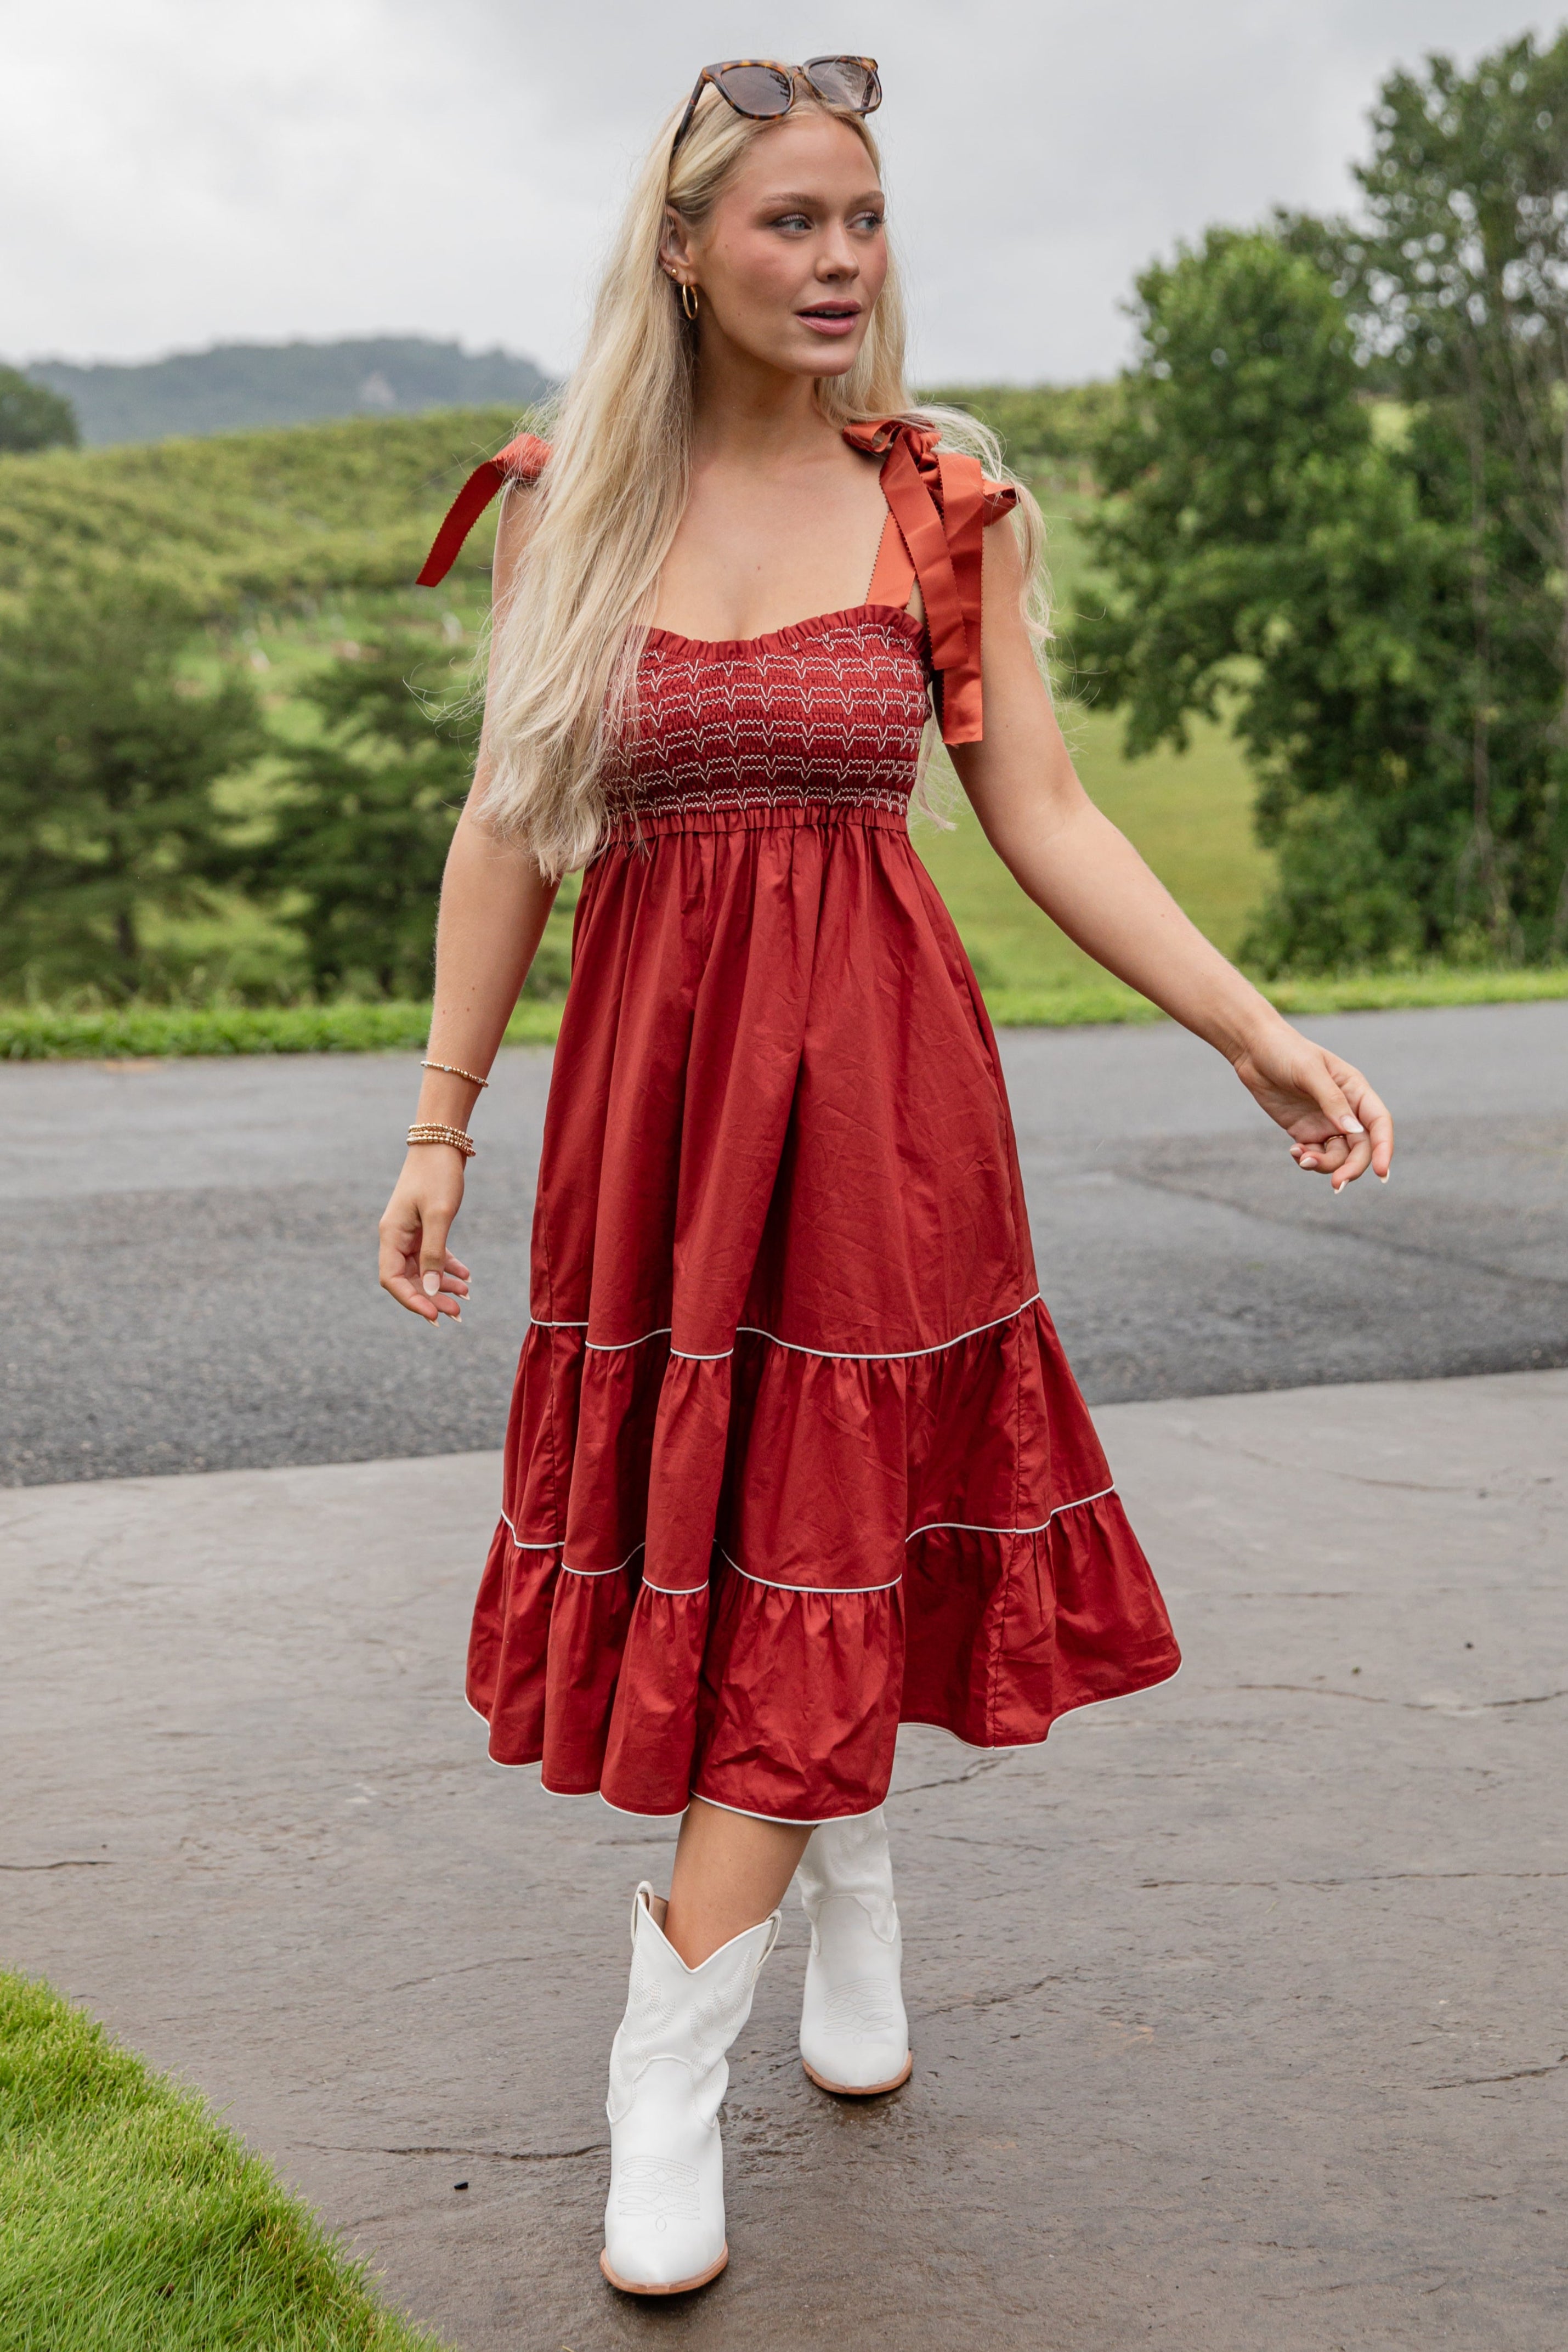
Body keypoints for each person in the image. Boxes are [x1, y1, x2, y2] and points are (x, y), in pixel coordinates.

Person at [378, 55, 1395, 2300]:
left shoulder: (936, 497)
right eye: (789, 222)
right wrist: (441, 1122)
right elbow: (508, 823)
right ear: (682, 251)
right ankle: (837, 1859)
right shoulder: (568, 507)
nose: (839, 261)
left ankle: (661, 2068)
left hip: (882, 1116)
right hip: (654, 1118)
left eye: (862, 219)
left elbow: (1045, 810)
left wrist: (1251, 1032)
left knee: (824, 1526)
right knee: (727, 1526)